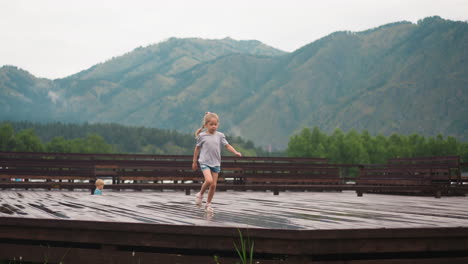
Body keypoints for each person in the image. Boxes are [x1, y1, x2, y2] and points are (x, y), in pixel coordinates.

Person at [192, 112, 242, 213]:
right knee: (209, 181)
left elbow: (227, 145)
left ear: (218, 124)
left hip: (216, 163)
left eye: (215, 124)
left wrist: (235, 152)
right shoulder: (202, 136)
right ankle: (200, 194)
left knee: (214, 185)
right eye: (211, 124)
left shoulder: (220, 136)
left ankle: (208, 205)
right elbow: (197, 149)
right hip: (204, 162)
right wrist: (194, 162)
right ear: (206, 125)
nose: (214, 126)